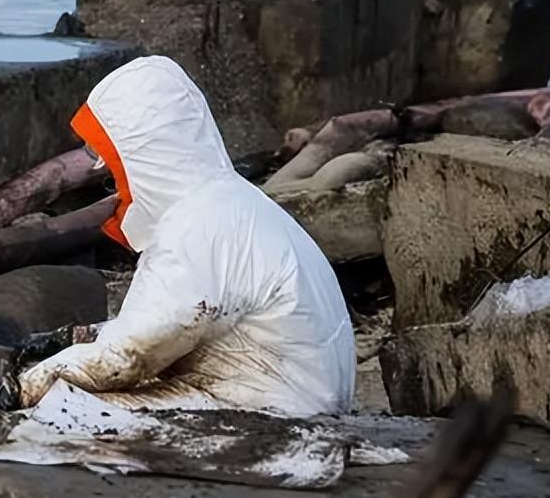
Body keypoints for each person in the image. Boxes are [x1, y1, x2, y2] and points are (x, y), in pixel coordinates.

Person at [18, 56, 354, 416]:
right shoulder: (235, 200)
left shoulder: (194, 227)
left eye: (115, 165)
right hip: (308, 393)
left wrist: (27, 383)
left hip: (273, 412)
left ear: (144, 156)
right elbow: (172, 324)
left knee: (62, 412)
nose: (114, 183)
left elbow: (128, 356)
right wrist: (80, 337)